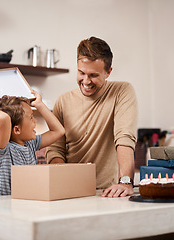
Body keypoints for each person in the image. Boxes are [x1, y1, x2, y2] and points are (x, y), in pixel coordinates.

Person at [46, 36, 138, 198]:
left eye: (93, 75)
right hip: (71, 191)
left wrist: (125, 182)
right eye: (81, 73)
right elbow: (55, 150)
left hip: (109, 191)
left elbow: (124, 137)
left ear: (108, 72)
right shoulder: (63, 101)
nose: (86, 81)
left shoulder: (122, 92)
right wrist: (65, 181)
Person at [0, 91, 65, 196]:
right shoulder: (3, 148)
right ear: (17, 130)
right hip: (7, 207)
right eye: (31, 117)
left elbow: (58, 131)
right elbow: (3, 119)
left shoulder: (30, 144)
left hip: (27, 203)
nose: (35, 121)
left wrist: (40, 105)